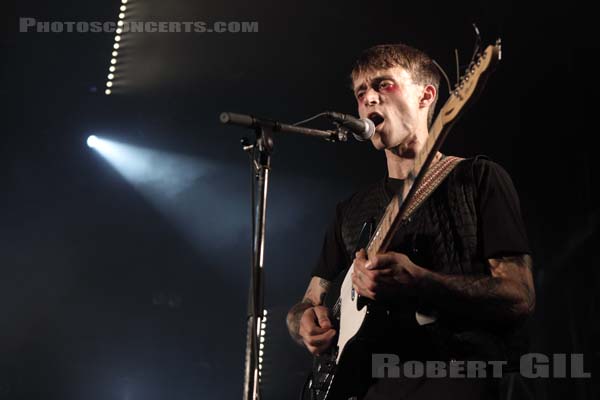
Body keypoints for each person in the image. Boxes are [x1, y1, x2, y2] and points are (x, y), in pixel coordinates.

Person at [286, 43, 535, 399]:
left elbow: (519, 296)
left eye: (383, 85)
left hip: (463, 378)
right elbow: (307, 303)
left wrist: (421, 282)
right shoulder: (351, 209)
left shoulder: (478, 178)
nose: (369, 98)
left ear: (426, 95)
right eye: (361, 92)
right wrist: (304, 324)